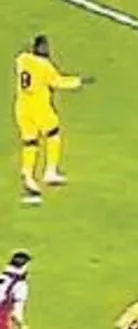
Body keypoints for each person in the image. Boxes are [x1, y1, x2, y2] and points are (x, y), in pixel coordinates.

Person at [14, 34, 92, 204]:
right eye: (45, 47)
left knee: (30, 142)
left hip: (22, 108)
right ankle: (50, 171)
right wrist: (78, 81)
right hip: (40, 108)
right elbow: (58, 82)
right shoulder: (45, 66)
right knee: (53, 134)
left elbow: (24, 56)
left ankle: (28, 175)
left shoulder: (22, 59)